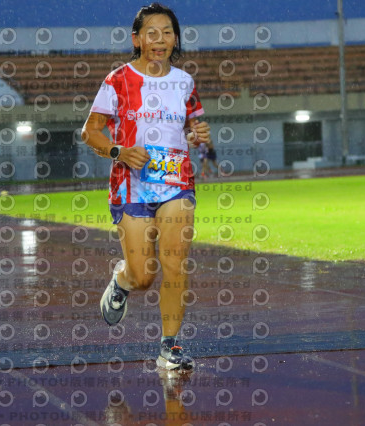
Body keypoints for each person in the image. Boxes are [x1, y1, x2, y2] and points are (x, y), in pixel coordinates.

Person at [81, 2, 211, 371]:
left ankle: (170, 346)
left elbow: (194, 129)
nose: (160, 39)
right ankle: (122, 280)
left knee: (175, 261)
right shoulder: (117, 80)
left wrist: (198, 135)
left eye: (167, 32)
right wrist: (119, 151)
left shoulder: (185, 82)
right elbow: (90, 132)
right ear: (137, 39)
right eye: (151, 33)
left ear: (176, 39)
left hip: (176, 183)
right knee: (144, 276)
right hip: (131, 186)